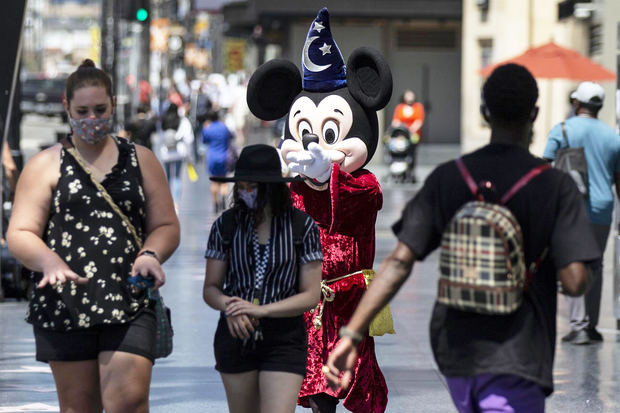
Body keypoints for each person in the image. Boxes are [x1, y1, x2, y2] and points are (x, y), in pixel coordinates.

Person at [324, 64, 599, 413]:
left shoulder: (450, 178)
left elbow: (399, 263)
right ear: (535, 113)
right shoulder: (554, 185)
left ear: (484, 113)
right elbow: (575, 283)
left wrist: (351, 335)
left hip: (456, 352)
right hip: (519, 355)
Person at [6, 59, 180, 412]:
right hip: (67, 302)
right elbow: (20, 231)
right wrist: (48, 260)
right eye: (82, 110)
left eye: (100, 109)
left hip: (129, 296)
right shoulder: (45, 165)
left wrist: (150, 254)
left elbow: (166, 224)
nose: (92, 118)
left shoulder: (141, 160)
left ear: (113, 104)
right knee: (78, 406)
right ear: (66, 107)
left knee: (129, 400)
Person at [202, 144, 323, 413]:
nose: (246, 192)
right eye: (242, 186)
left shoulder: (301, 226)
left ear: (273, 187)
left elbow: (311, 295)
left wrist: (262, 309)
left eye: (253, 186)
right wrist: (230, 307)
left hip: (284, 338)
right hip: (235, 333)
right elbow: (211, 288)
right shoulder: (227, 224)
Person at [543, 81, 620, 345]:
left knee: (571, 261)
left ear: (576, 103)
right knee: (596, 265)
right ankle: (592, 325)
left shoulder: (561, 129)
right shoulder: (613, 137)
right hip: (602, 208)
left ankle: (578, 325)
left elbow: (544, 169)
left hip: (569, 208)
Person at [158, 103, 195, 207]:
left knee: (168, 176)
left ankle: (168, 198)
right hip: (179, 151)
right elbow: (189, 138)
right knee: (177, 177)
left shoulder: (163, 121)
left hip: (166, 152)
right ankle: (176, 201)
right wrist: (190, 154)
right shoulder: (182, 121)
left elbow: (160, 136)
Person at [201, 110, 235, 213]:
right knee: (224, 180)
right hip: (223, 157)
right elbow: (232, 136)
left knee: (214, 181)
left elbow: (204, 140)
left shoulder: (208, 128)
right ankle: (224, 199)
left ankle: (215, 203)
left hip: (212, 157)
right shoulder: (223, 127)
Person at [391, 89, 425, 182]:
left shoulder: (418, 107)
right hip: (401, 135)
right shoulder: (400, 107)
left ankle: (411, 172)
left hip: (413, 134)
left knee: (411, 153)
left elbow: (419, 121)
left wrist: (410, 130)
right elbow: (396, 121)